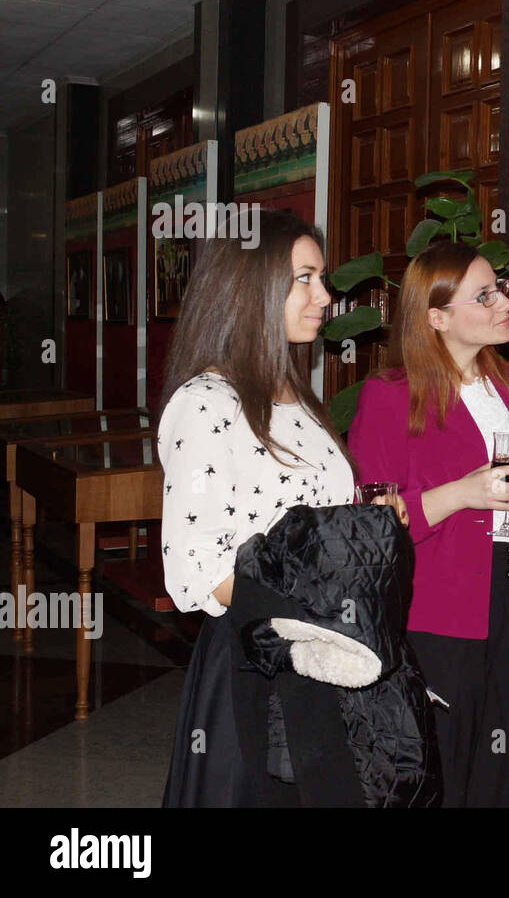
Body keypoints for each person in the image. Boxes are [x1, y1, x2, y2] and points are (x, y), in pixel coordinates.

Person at [157, 210, 407, 806]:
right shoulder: (204, 405)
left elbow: (305, 520)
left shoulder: (295, 393)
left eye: (320, 278)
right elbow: (198, 574)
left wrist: (365, 525)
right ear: (251, 287)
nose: (324, 295)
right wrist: (315, 597)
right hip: (260, 662)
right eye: (305, 278)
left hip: (329, 652)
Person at [347, 239, 509, 807]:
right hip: (439, 603)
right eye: (486, 295)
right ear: (437, 317)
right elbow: (376, 522)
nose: (506, 305)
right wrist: (462, 493)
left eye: (500, 290)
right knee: (443, 762)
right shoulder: (388, 398)